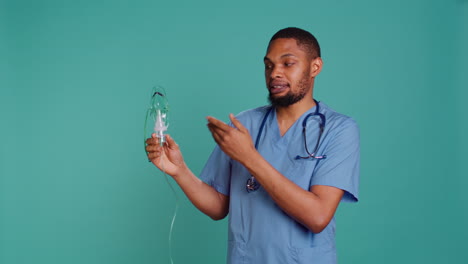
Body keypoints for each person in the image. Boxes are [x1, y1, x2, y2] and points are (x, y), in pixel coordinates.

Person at [146, 27, 360, 264]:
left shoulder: (338, 129)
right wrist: (180, 170)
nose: (274, 73)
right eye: (268, 65)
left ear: (315, 67)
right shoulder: (245, 124)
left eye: (287, 63)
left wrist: (249, 157)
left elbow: (318, 217)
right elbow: (218, 206)